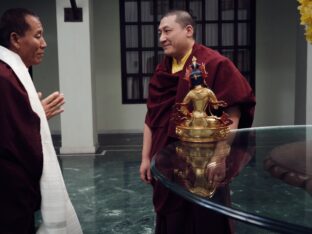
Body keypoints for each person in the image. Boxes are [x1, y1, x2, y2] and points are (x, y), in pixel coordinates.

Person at [139, 10, 256, 234]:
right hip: (165, 158)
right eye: (159, 32)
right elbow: (151, 117)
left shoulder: (214, 63)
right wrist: (145, 158)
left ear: (188, 30)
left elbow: (232, 115)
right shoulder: (162, 70)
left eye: (167, 31)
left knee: (207, 218)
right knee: (171, 218)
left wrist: (220, 157)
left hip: (204, 161)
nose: (161, 38)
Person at [0, 8, 82, 233]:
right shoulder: (5, 77)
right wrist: (35, 120)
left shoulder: (11, 73)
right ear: (15, 39)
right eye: (38, 36)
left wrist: (34, 118)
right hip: (8, 192)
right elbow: (15, 142)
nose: (44, 43)